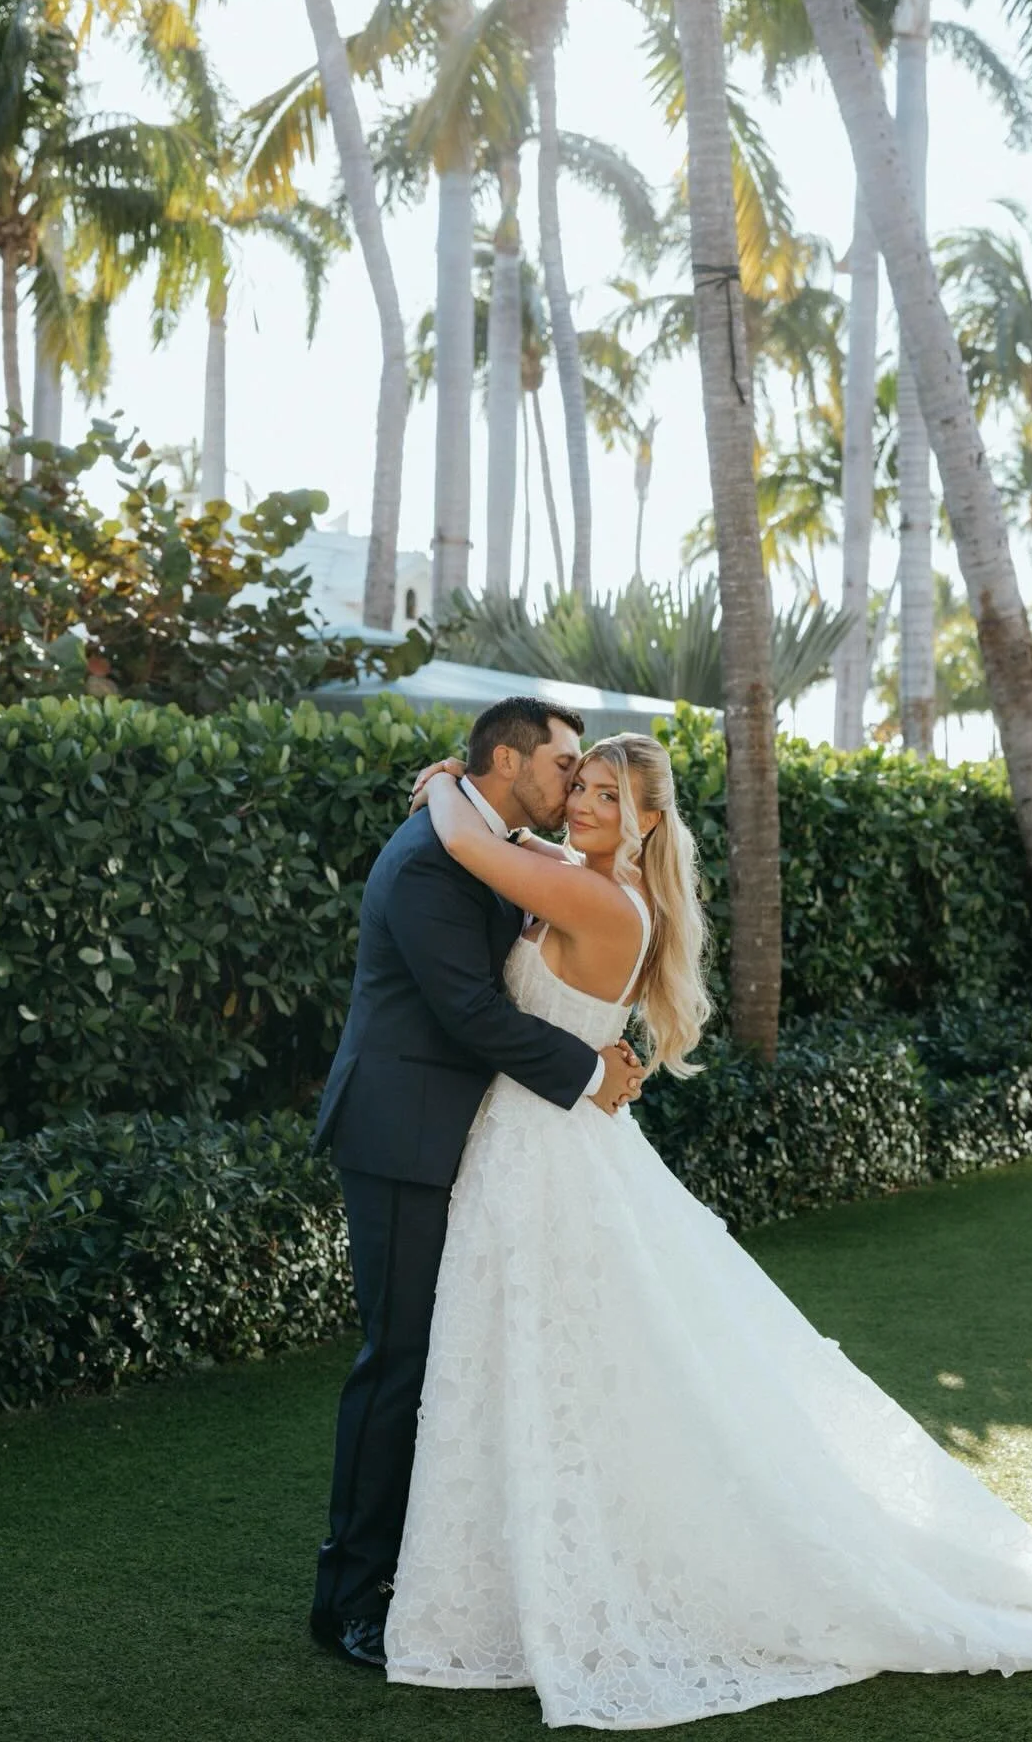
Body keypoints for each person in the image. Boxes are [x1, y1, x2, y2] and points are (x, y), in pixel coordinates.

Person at [379, 731, 1032, 1730]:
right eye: (582, 786)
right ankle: (524, 1578)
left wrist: (447, 785)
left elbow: (472, 849)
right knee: (549, 1370)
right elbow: (504, 850)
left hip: (546, 1155)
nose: (585, 804)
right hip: (535, 1148)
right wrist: (467, 797)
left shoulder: (598, 897)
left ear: (645, 821)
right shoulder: (583, 877)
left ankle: (564, 1582)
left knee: (566, 1367)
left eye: (607, 794)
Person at [309, 697, 644, 1671]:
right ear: (506, 758)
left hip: (447, 1133)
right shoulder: (428, 861)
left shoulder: (473, 838)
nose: (573, 785)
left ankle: (417, 1568)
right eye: (563, 766)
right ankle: (347, 1601)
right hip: (401, 1134)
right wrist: (587, 1075)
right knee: (398, 1362)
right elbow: (463, 1010)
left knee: (432, 1357)